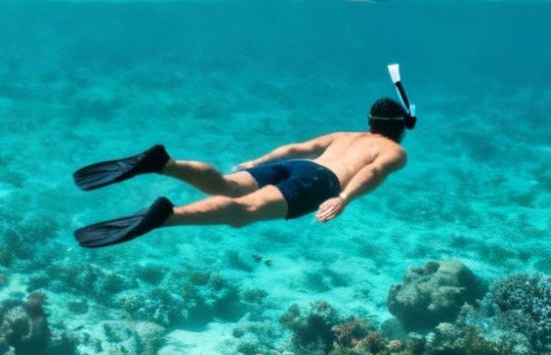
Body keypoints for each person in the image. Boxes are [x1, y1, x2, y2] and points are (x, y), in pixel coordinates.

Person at [71, 68, 417, 248]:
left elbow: (295, 149)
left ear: (370, 123)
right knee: (244, 213)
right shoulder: (394, 150)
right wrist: (342, 198)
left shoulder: (346, 135)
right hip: (320, 183)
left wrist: (258, 161)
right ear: (401, 127)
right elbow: (372, 172)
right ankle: (166, 217)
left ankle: (163, 164)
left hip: (296, 167)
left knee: (225, 184)